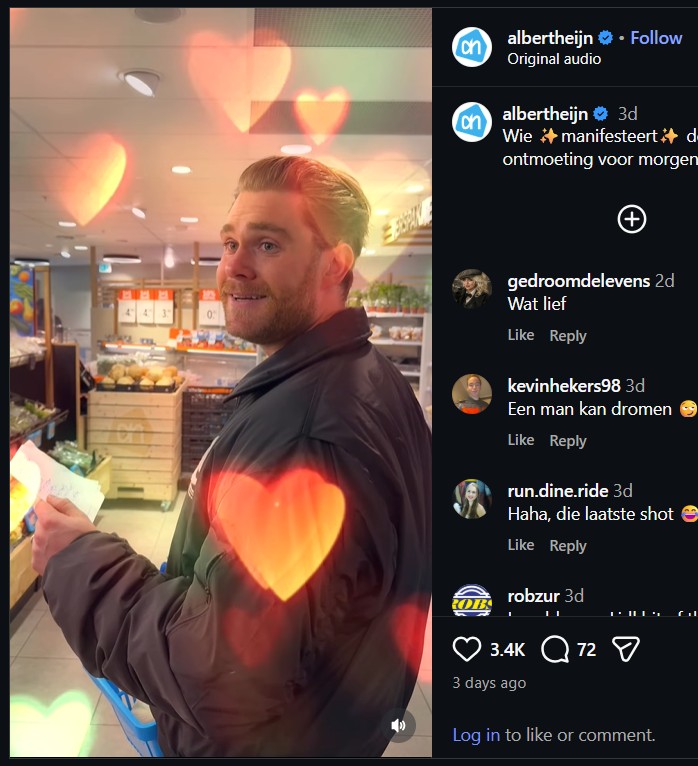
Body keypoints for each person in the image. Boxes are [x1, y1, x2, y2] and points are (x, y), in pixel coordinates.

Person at [31, 156, 433, 757]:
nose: (233, 268)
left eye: (267, 244)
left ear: (335, 264)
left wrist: (77, 561)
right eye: (229, 243)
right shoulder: (366, 377)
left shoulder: (307, 437)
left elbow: (215, 674)